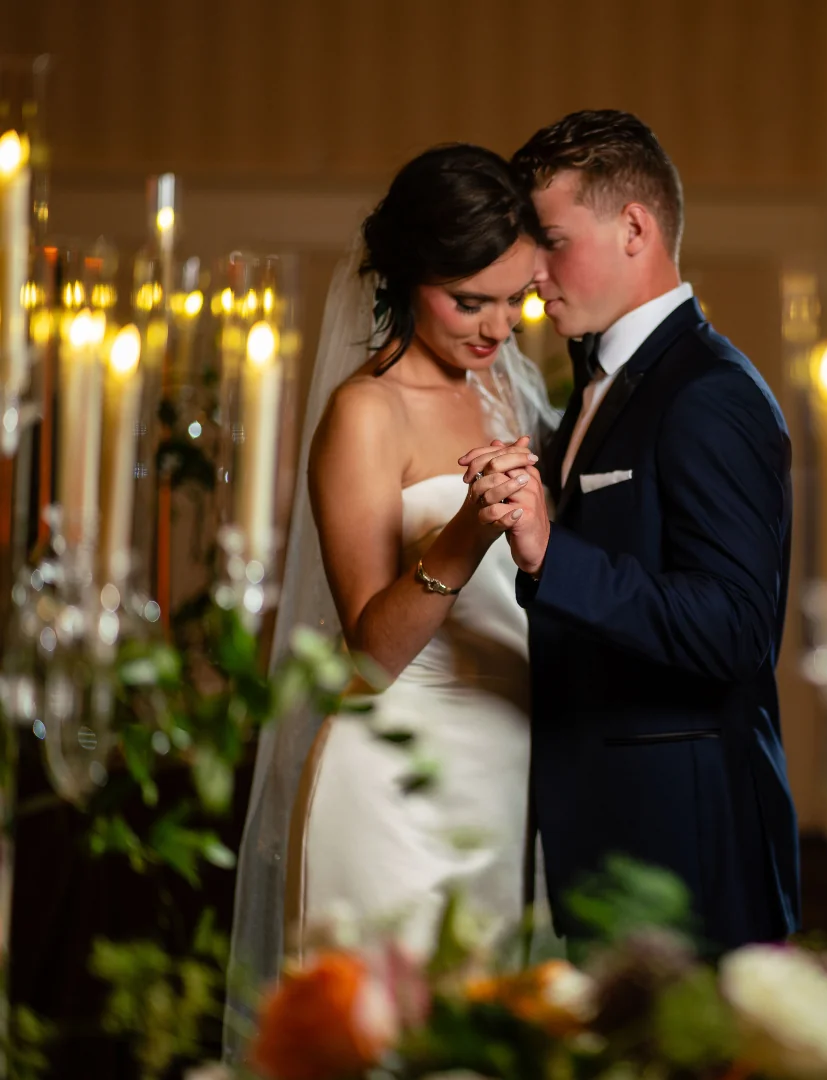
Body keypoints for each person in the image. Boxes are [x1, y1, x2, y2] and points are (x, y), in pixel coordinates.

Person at [224, 144, 558, 1060]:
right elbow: (370, 656)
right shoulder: (367, 412)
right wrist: (465, 534)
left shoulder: (509, 389)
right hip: (396, 779)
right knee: (384, 1046)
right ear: (411, 275)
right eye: (469, 299)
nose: (497, 326)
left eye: (514, 297)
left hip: (506, 767)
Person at [462, 110, 801, 954]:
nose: (532, 271)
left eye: (551, 239)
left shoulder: (708, 392)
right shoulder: (595, 382)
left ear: (635, 227)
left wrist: (551, 553)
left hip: (685, 853)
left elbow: (736, 629)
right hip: (597, 844)